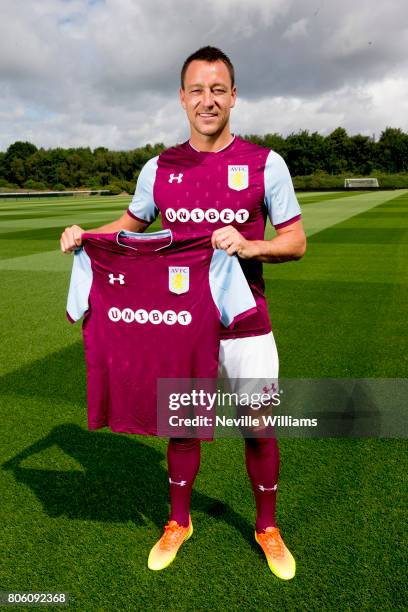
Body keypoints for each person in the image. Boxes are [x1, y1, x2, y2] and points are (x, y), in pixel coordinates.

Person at [60, 46, 306, 580]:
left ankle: (267, 527)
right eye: (197, 89)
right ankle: (178, 521)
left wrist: (247, 245)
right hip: (179, 329)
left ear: (234, 97)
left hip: (246, 326)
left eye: (218, 89)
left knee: (259, 427)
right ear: (182, 98)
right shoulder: (159, 167)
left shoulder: (266, 164)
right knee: (183, 428)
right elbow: (127, 227)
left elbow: (296, 242)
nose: (208, 100)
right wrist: (85, 236)